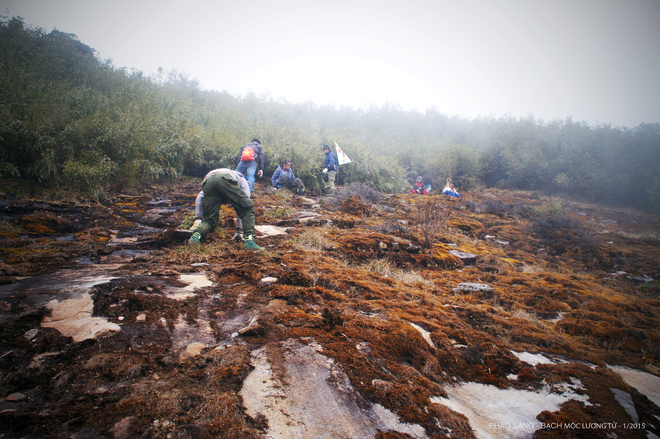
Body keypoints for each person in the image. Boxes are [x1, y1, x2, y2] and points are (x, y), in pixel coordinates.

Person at [189, 168, 264, 250]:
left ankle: (195, 236)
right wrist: (239, 230)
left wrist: (198, 218)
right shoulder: (244, 182)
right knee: (248, 209)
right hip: (224, 177)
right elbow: (244, 209)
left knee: (210, 220)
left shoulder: (230, 176)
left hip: (208, 179)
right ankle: (250, 242)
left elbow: (200, 198)